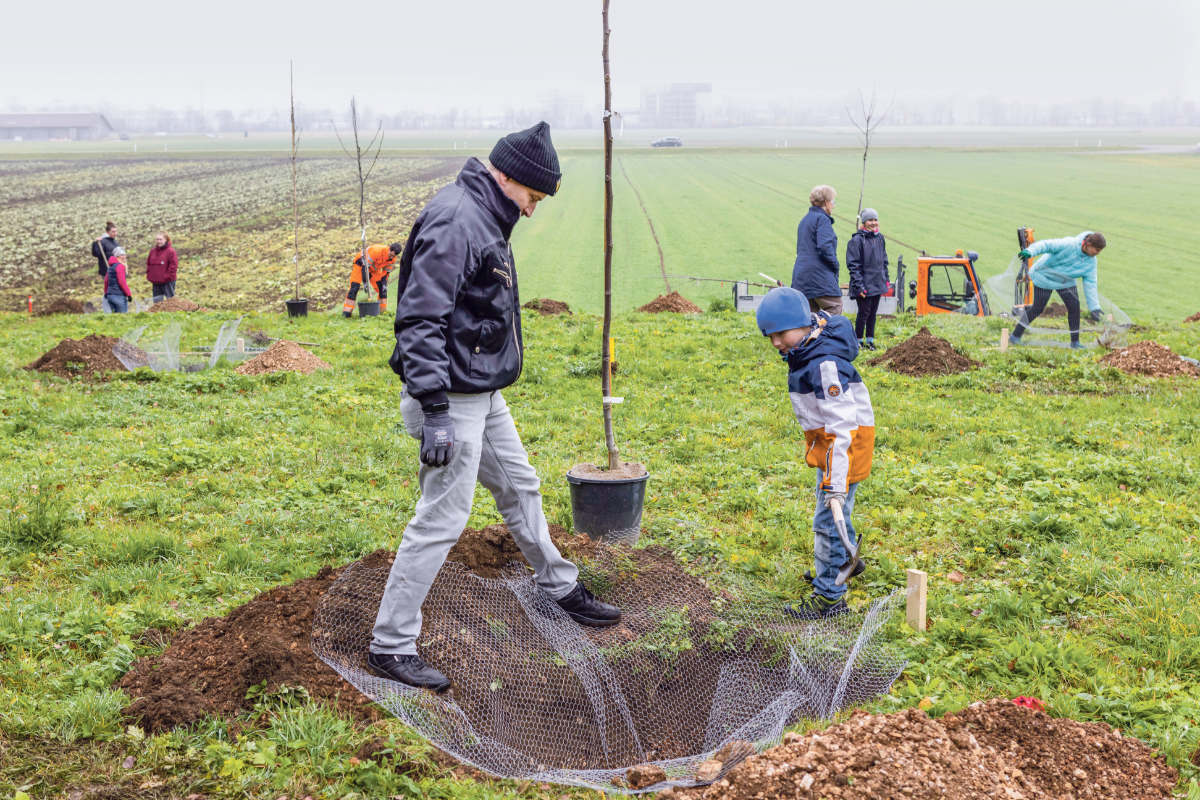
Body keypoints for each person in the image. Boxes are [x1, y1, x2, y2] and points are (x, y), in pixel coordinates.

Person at [372, 122, 621, 691]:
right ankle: (391, 644)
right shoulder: (458, 220)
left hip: (480, 391)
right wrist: (434, 408)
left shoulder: (486, 213)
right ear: (506, 177)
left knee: (520, 485)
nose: (533, 211)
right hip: (451, 397)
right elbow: (420, 318)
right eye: (533, 197)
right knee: (442, 517)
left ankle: (558, 585)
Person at [755, 286, 875, 619]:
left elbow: (842, 428)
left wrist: (835, 484)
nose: (776, 343)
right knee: (837, 513)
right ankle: (843, 562)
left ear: (801, 324)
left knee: (827, 519)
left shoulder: (824, 364)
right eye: (770, 337)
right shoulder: (808, 347)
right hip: (832, 447)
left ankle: (830, 597)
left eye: (780, 334)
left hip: (843, 449)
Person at [1010, 231, 1106, 349]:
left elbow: (1090, 283)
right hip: (1044, 277)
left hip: (1065, 281)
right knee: (1037, 309)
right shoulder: (1068, 244)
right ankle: (1015, 336)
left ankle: (1075, 343)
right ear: (1088, 244)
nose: (1098, 253)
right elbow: (1046, 245)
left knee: (1074, 307)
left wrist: (1094, 307)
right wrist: (1030, 251)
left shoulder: (1091, 262)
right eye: (1096, 250)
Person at [791, 185, 842, 314]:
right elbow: (824, 247)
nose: (833, 206)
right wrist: (835, 265)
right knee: (834, 308)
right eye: (833, 202)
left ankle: (812, 335)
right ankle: (829, 335)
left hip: (801, 277)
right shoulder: (823, 220)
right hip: (819, 276)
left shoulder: (804, 220)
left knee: (809, 316)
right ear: (826, 202)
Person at [846, 208, 889, 350]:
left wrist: (885, 279)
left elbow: (884, 261)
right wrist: (859, 287)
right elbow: (853, 265)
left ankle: (870, 341)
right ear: (864, 223)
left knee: (872, 314)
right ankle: (858, 342)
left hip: (877, 283)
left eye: (875, 220)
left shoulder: (880, 238)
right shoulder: (856, 240)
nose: (873, 223)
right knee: (863, 314)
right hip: (864, 285)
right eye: (870, 220)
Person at [342, 242, 402, 317]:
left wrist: (384, 285)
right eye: (390, 255)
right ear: (389, 249)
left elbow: (385, 274)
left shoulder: (392, 259)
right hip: (360, 265)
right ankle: (346, 313)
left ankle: (382, 313)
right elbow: (365, 267)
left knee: (382, 290)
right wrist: (365, 283)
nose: (391, 257)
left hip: (373, 270)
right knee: (355, 287)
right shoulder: (376, 251)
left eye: (393, 256)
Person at [145, 231, 178, 303]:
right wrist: (150, 275)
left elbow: (173, 266)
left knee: (170, 301)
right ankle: (158, 314)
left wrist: (166, 277)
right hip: (156, 281)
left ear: (166, 240)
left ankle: (173, 313)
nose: (159, 241)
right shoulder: (152, 251)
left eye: (160, 239)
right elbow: (148, 264)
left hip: (167, 282)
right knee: (157, 302)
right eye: (157, 239)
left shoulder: (171, 251)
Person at [103, 247, 133, 313]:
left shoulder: (111, 267)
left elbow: (106, 281)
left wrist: (106, 292)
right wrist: (129, 294)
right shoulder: (120, 267)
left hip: (110, 295)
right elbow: (122, 282)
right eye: (122, 255)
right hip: (118, 296)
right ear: (117, 256)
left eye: (124, 255)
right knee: (122, 318)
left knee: (114, 318)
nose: (124, 257)